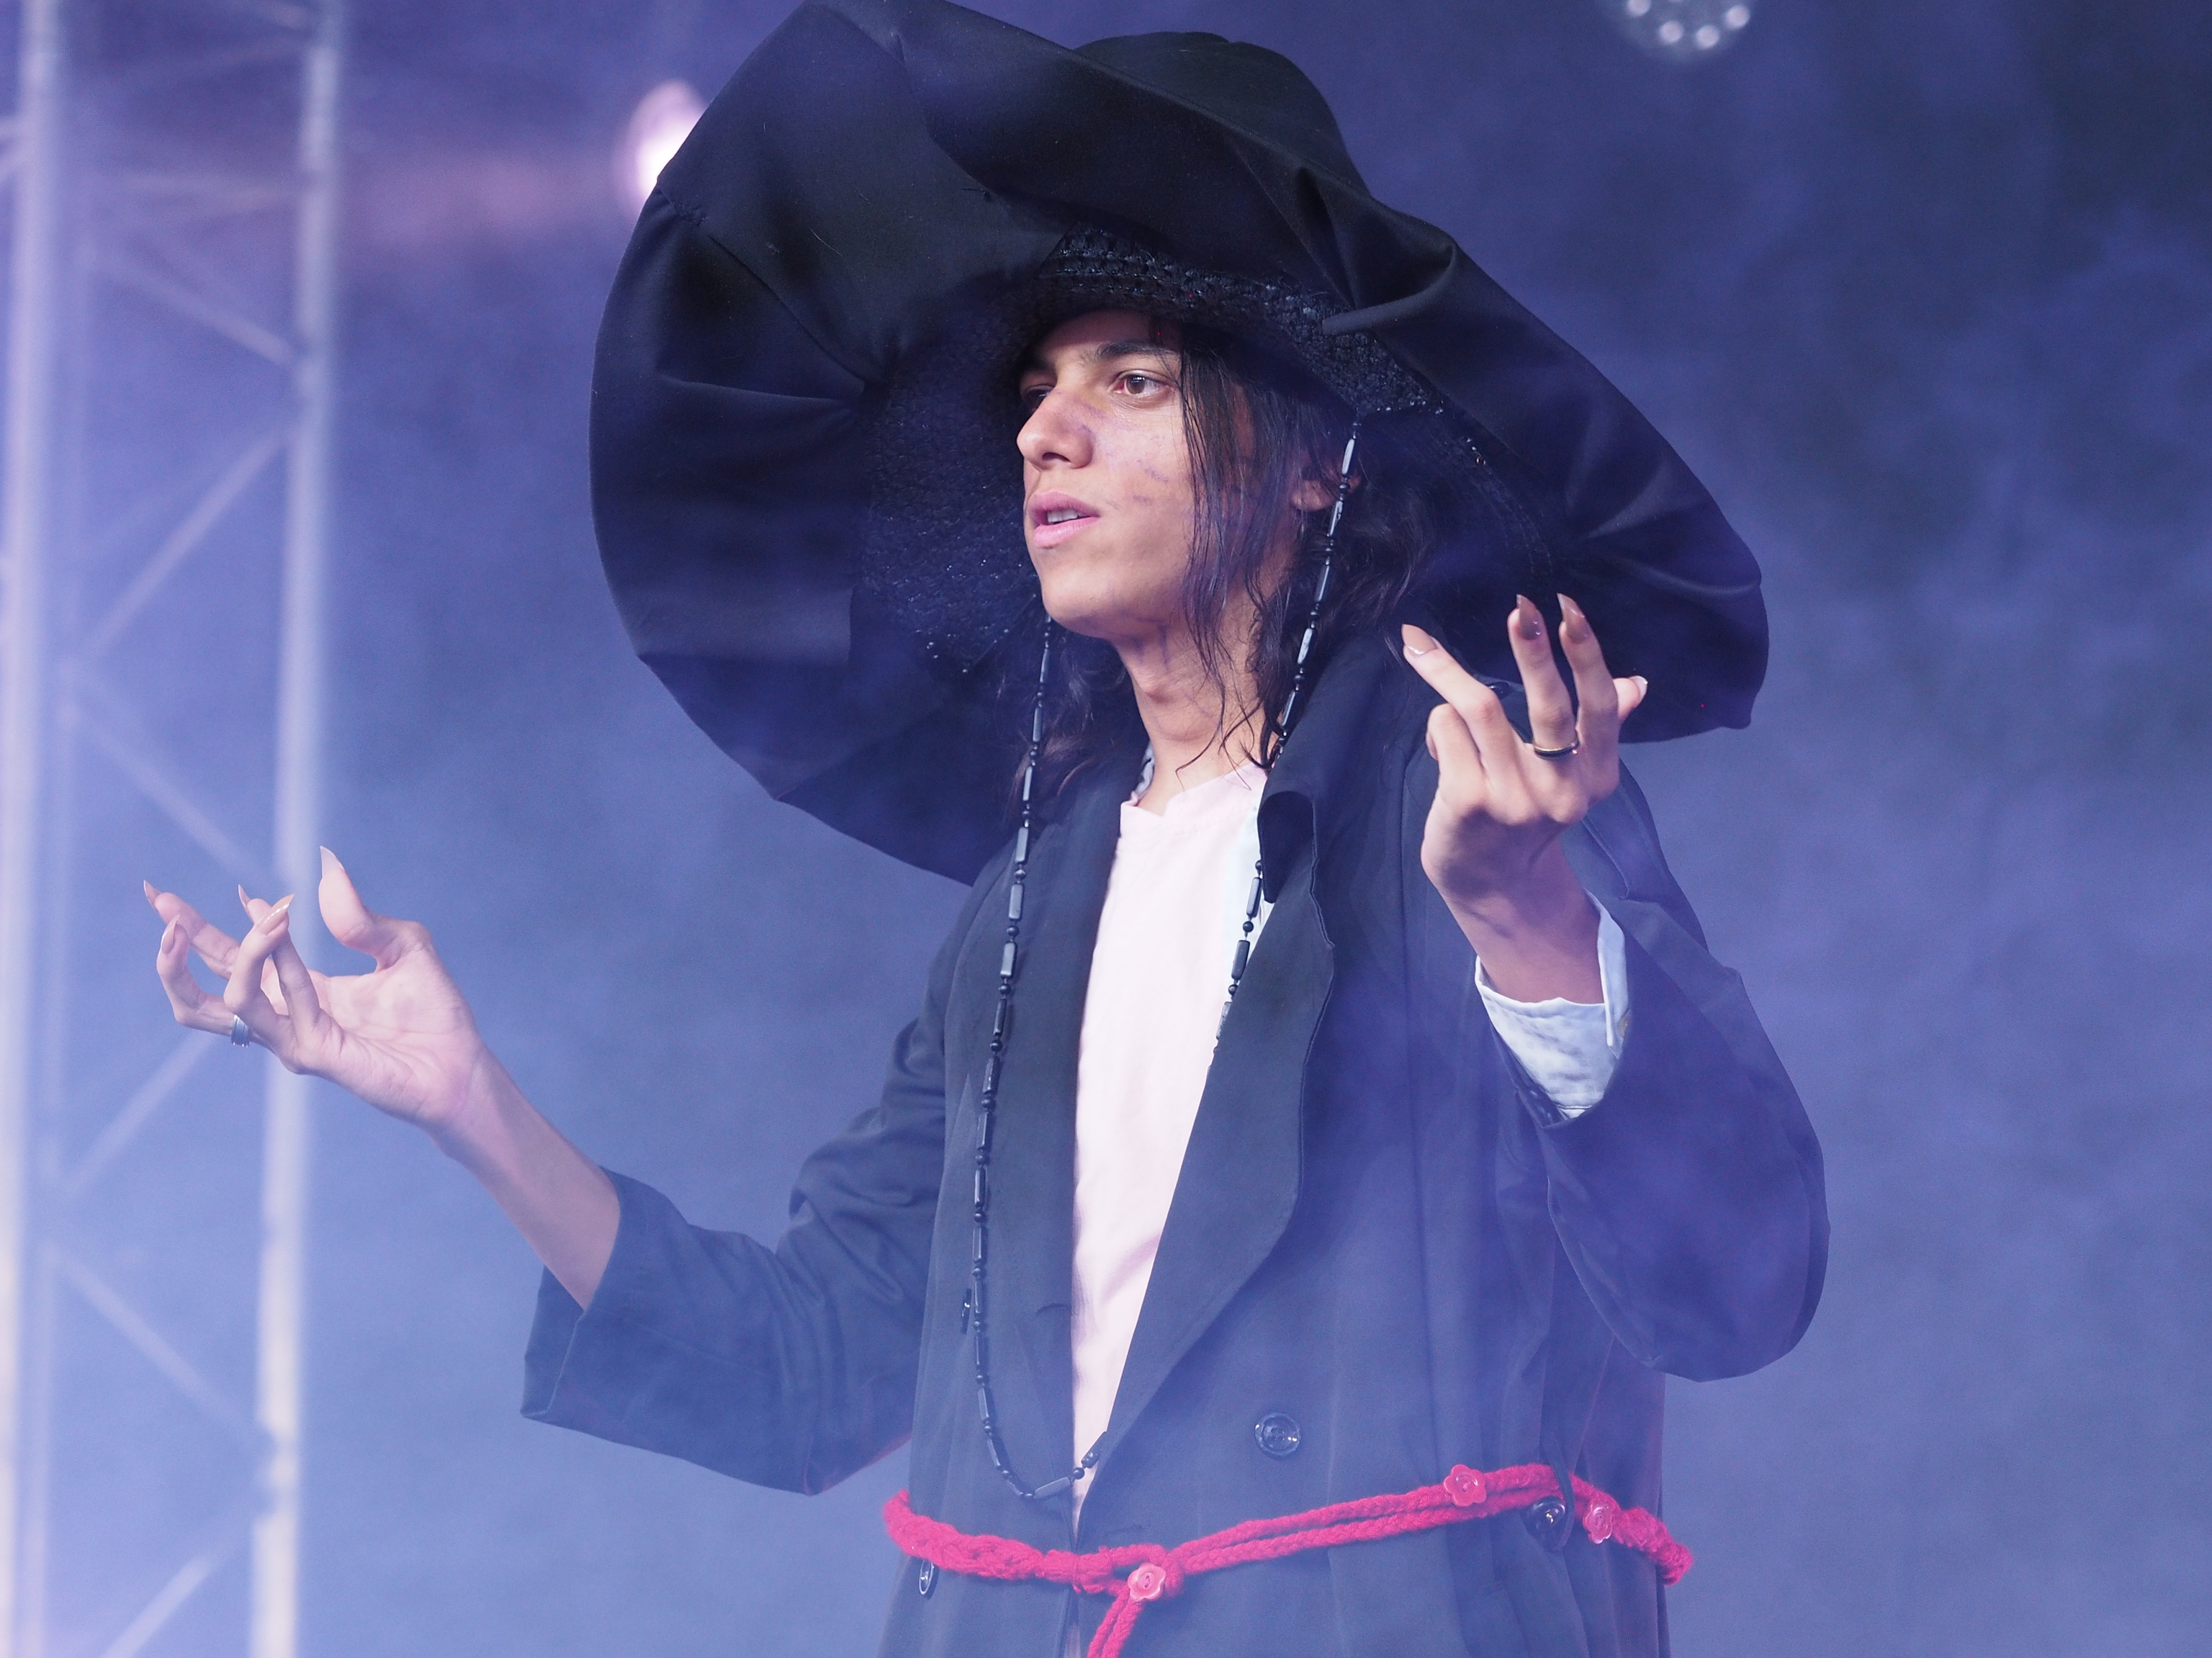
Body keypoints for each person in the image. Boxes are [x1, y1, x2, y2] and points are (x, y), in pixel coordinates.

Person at [146, 4, 1825, 1655]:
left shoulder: (1469, 796)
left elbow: (1737, 1289)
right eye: (1035, 387)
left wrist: (1526, 917)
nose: (1043, 431)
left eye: (1135, 378)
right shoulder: (1038, 898)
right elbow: (806, 1371)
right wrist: (470, 1106)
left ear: (1317, 459)